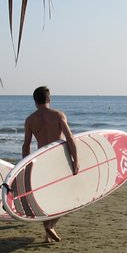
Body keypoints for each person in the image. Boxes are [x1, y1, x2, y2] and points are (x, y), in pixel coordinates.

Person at [22, 86, 79, 243]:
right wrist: (76, 161)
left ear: (35, 101)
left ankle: (48, 235)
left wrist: (25, 167)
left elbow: (26, 146)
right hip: (59, 160)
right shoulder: (58, 115)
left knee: (46, 197)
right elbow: (70, 139)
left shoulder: (30, 120)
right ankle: (51, 225)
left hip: (41, 161)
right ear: (49, 99)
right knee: (66, 197)